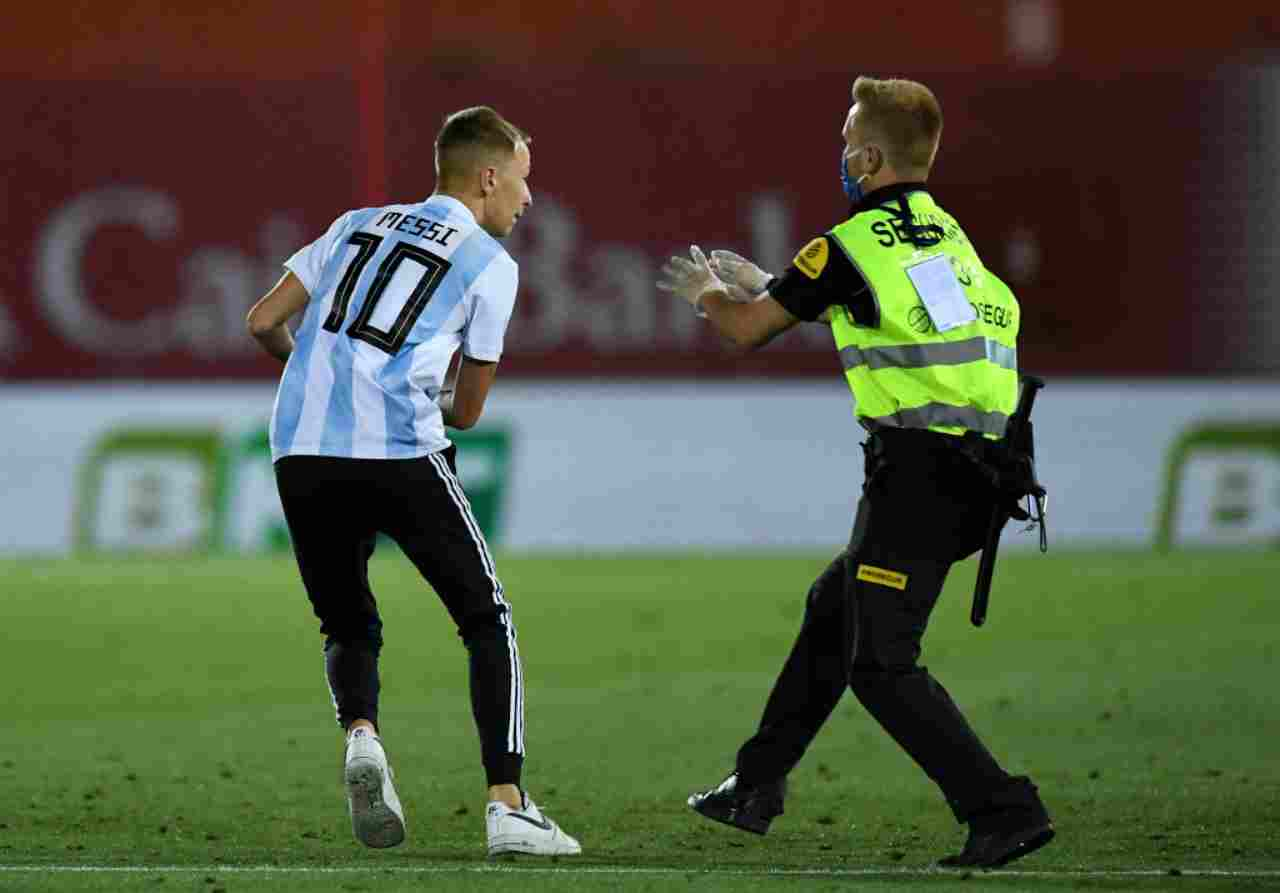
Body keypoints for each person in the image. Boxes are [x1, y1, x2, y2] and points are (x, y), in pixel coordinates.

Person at [657, 76, 1054, 869]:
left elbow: (745, 331)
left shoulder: (849, 245)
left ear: (869, 156)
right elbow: (884, 309)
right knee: (832, 610)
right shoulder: (945, 235)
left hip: (919, 474)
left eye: (846, 145)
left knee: (880, 663)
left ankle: (1003, 808)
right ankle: (757, 783)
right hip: (985, 472)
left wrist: (708, 291)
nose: (842, 157)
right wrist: (767, 280)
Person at [246, 106, 580, 858]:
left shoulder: (354, 223)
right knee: (484, 616)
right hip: (399, 450)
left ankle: (362, 737)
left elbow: (264, 321)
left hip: (300, 445)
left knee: (347, 622)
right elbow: (466, 409)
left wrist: (325, 378)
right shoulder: (492, 264)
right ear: (488, 177)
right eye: (523, 181)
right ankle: (508, 804)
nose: (528, 200)